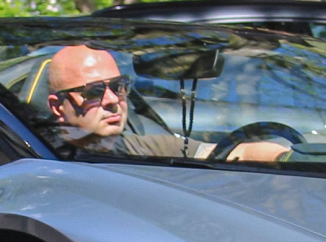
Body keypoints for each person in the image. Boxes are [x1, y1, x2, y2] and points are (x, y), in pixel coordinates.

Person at [36, 44, 288, 161]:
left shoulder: (141, 147)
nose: (112, 100)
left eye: (118, 86)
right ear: (58, 107)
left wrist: (289, 158)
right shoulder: (39, 158)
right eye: (93, 92)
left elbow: (232, 153)